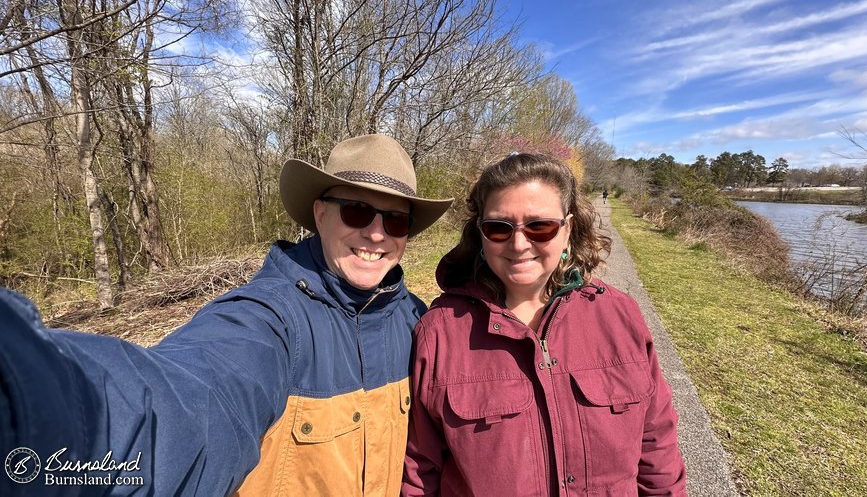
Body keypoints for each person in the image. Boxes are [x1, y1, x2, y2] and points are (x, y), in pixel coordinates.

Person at [0, 134, 452, 496]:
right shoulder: (269, 319)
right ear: (319, 214)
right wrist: (36, 398)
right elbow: (183, 405)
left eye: (396, 221)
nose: (376, 235)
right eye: (357, 211)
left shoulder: (415, 320)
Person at [402, 153, 686, 496]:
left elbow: (656, 447)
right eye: (498, 228)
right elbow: (418, 472)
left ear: (567, 230)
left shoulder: (620, 316)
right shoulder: (440, 333)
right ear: (480, 236)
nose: (519, 244)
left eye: (540, 226)